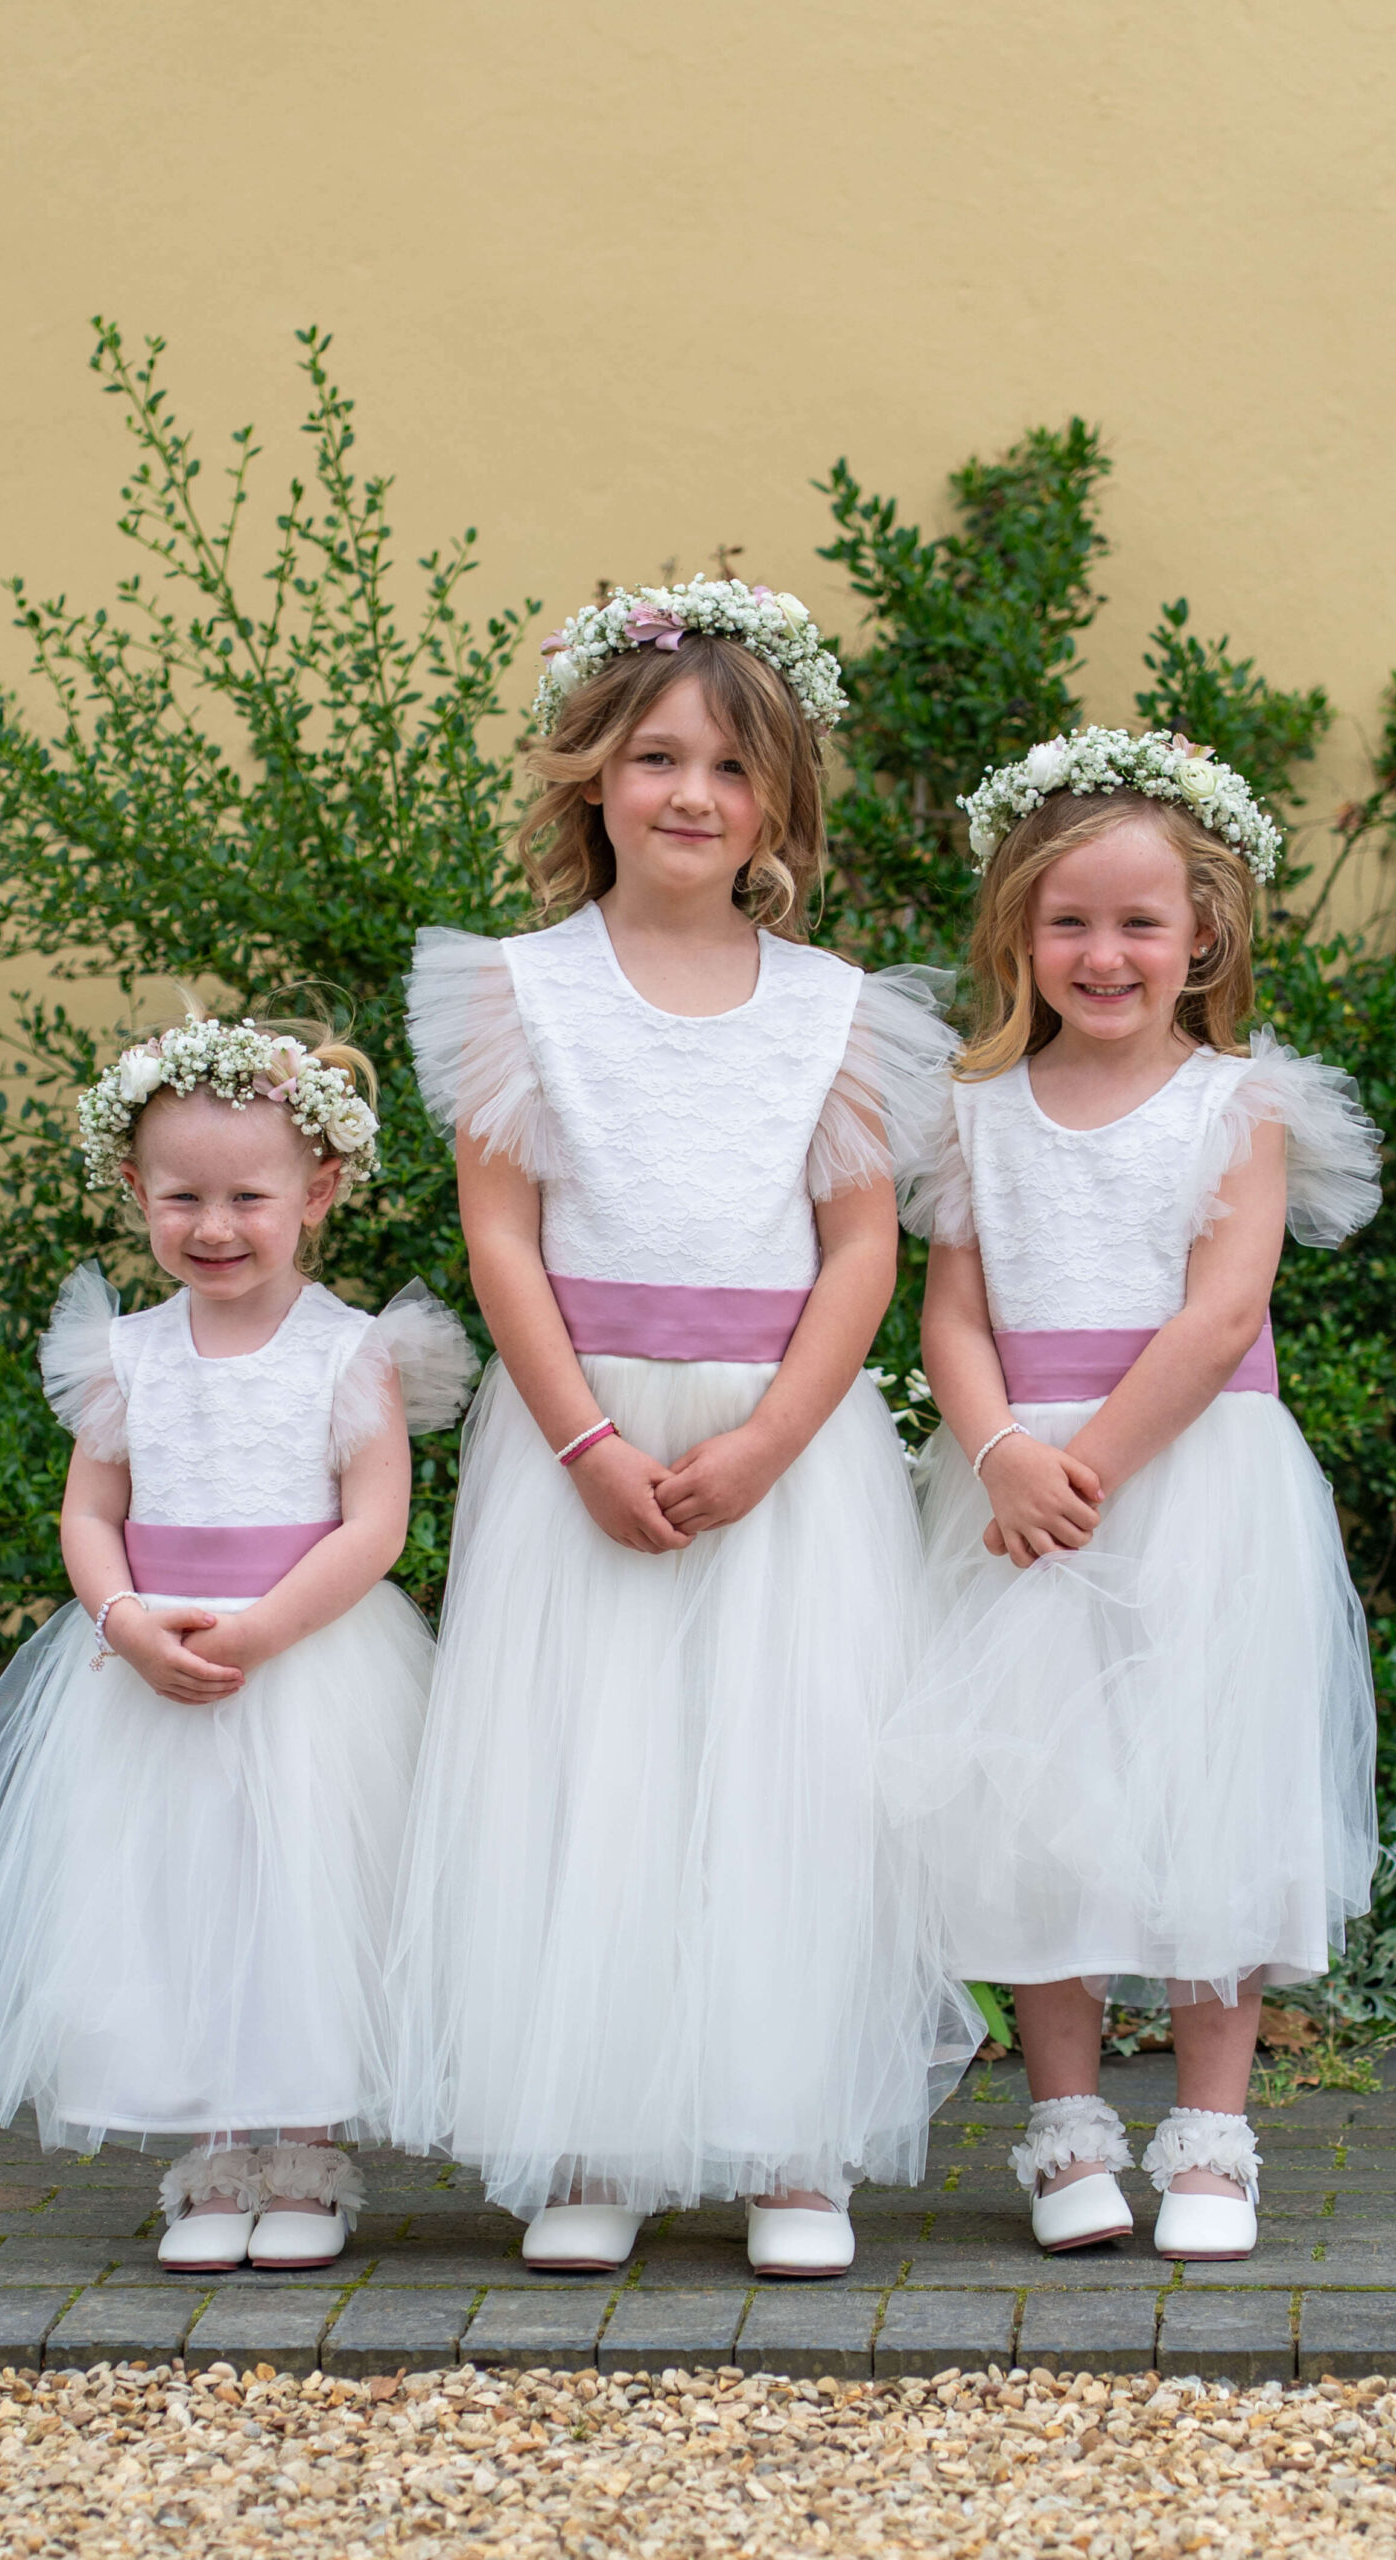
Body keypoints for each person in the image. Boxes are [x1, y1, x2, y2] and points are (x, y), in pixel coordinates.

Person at [388, 578, 980, 2279]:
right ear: (592, 772)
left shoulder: (838, 1008)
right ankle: (591, 2134)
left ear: (779, 804)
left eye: (731, 767)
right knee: (584, 1775)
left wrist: (776, 1437)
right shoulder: (517, 991)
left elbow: (860, 1247)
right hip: (580, 1440)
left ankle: (792, 2138)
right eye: (655, 757)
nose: (690, 795)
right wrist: (583, 1445)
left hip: (781, 1449)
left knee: (787, 1773)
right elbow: (502, 1238)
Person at [0, 1009, 475, 2272]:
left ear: (318, 1192)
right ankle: (213, 2153)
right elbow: (90, 1514)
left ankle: (304, 2154)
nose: (214, 1226)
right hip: (151, 1674)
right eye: (182, 1197)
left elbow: (375, 1526)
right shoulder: (127, 1356)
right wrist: (124, 1620)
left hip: (308, 1669)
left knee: (303, 1903)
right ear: (134, 1189)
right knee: (179, 1901)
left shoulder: (352, 1352)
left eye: (248, 1197)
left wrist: (261, 1630)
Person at [895, 728, 1381, 2262]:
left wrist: (1078, 1470)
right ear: (1016, 935)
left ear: (1201, 935)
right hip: (1016, 1494)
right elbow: (950, 1317)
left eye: (1136, 923)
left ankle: (1211, 2139)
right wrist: (1000, 1456)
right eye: (1067, 922)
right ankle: (1065, 2129)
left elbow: (1219, 1317)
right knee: (1038, 1801)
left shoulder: (1235, 1104)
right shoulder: (975, 1111)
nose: (1101, 954)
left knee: (1202, 1793)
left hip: (1189, 1486)